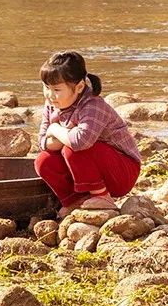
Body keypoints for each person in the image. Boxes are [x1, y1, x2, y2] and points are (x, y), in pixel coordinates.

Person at [34, 51, 142, 219]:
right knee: (43, 160)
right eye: (46, 87)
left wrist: (55, 130)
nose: (49, 94)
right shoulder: (52, 104)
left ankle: (102, 196)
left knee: (72, 149)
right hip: (89, 166)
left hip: (121, 171)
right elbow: (42, 141)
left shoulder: (92, 105)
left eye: (56, 89)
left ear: (79, 87)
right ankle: (76, 201)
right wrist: (64, 137)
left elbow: (80, 142)